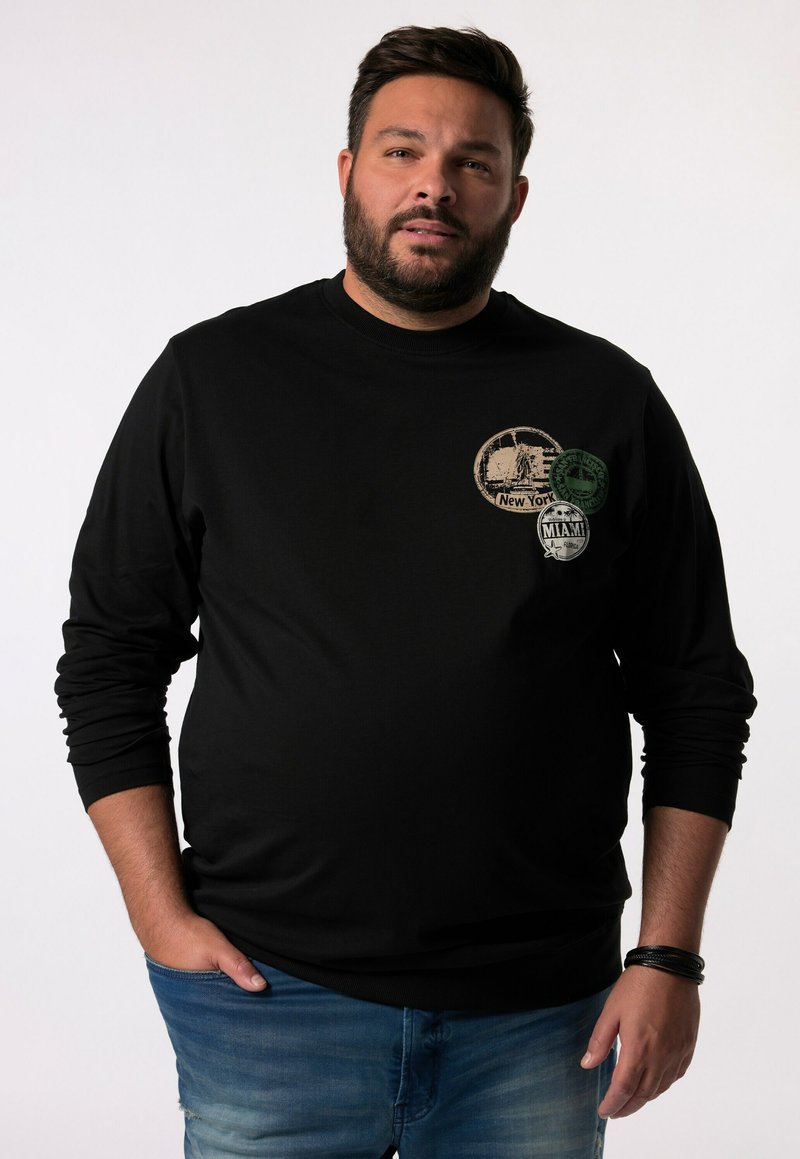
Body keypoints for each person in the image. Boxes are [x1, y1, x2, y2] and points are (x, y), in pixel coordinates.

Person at [55, 25, 755, 1159]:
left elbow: (697, 691)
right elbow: (107, 658)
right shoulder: (213, 379)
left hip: (540, 1011)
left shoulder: (603, 398)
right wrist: (156, 910)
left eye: (473, 161)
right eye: (402, 151)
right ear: (348, 172)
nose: (435, 184)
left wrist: (668, 954)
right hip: (265, 993)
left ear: (513, 196)